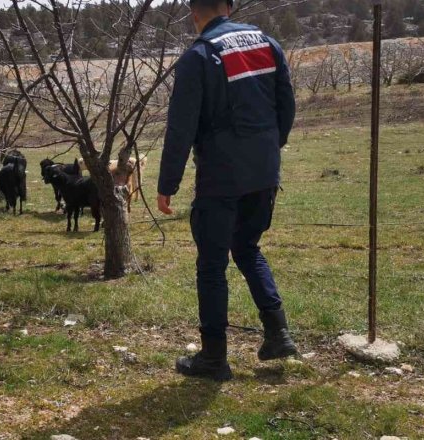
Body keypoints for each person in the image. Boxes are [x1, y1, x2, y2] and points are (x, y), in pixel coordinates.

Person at [156, 0, 298, 381]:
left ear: (192, 12)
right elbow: (286, 106)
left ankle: (213, 359)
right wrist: (269, 148)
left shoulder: (198, 56)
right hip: (264, 169)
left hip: (221, 176)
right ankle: (277, 332)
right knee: (248, 248)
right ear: (230, 6)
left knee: (212, 266)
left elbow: (180, 128)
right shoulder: (267, 43)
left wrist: (167, 184)